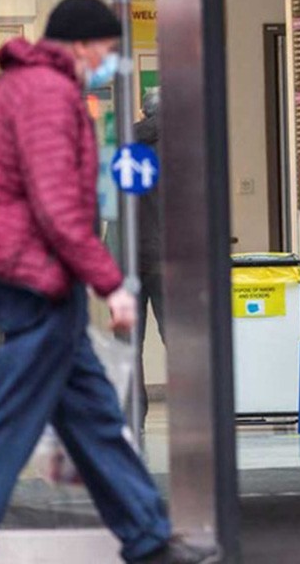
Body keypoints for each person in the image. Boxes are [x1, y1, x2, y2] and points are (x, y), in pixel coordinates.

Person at [0, 0, 216, 564]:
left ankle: (149, 540)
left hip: (30, 273)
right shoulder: (47, 94)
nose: (108, 62)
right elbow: (58, 207)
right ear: (82, 43)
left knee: (94, 416)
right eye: (107, 49)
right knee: (8, 424)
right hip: (34, 279)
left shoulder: (24, 86)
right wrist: (110, 284)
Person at [134, 87, 164, 424]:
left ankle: (134, 413)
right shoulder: (187, 148)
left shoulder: (128, 145)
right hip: (171, 259)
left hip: (131, 258)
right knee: (177, 336)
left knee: (130, 342)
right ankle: (194, 411)